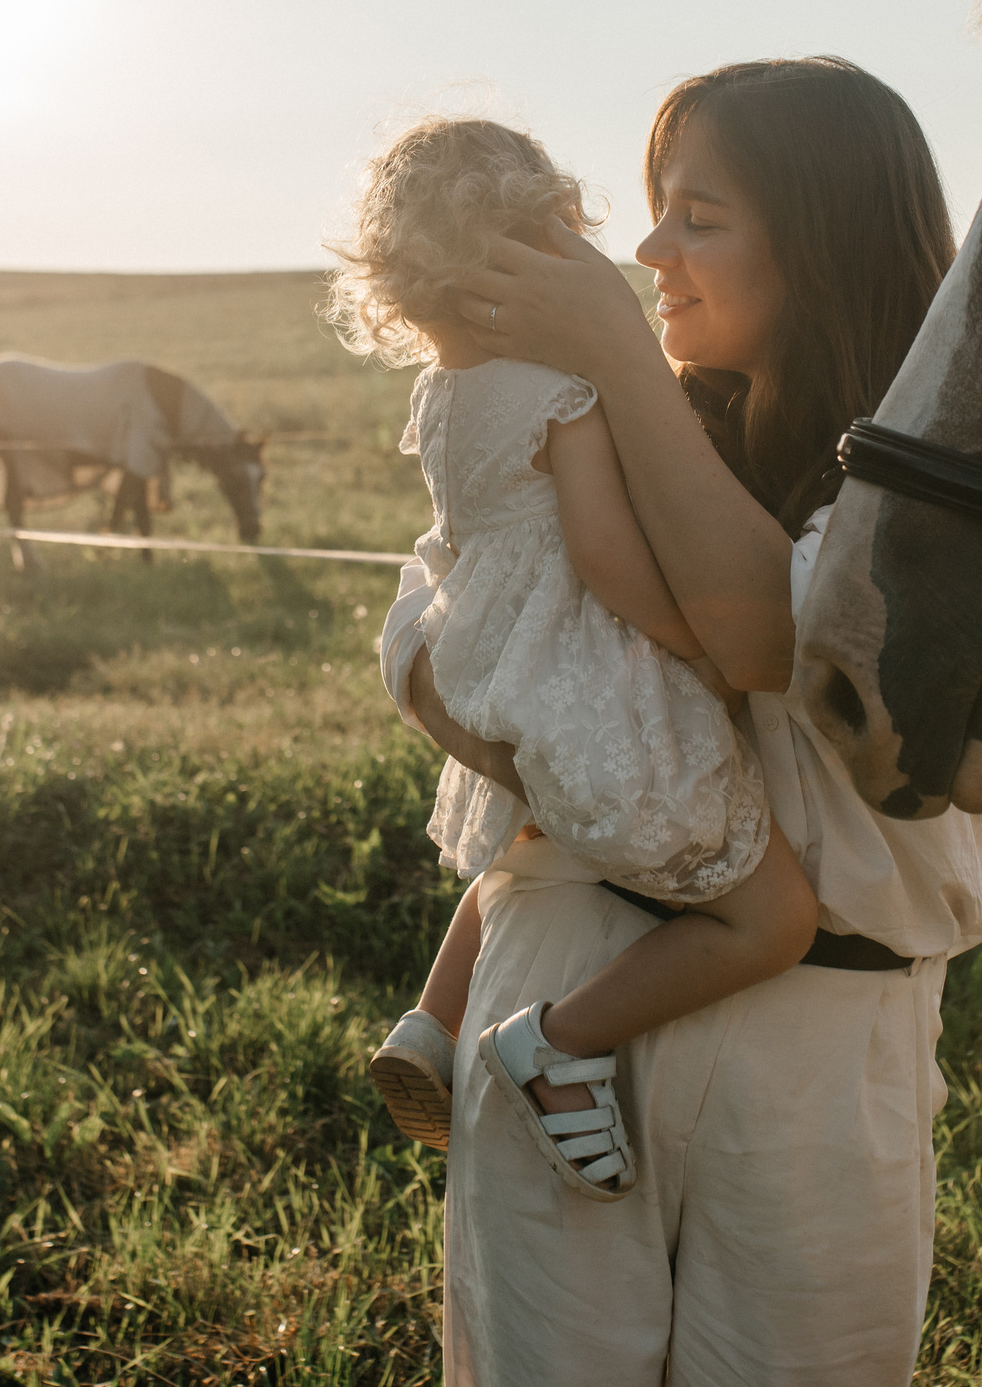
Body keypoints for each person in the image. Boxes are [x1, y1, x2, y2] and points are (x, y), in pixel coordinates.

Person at [377, 59, 982, 1385]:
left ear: (825, 240)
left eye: (698, 216)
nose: (649, 251)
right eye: (656, 209)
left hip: (825, 1027)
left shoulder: (951, 486)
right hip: (569, 966)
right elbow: (441, 601)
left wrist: (612, 356)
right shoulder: (614, 417)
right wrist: (462, 696)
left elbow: (769, 640)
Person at [324, 117, 817, 1198]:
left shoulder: (440, 393)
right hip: (576, 660)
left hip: (487, 652)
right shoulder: (561, 391)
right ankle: (557, 1041)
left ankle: (432, 1017)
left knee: (531, 828)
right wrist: (694, 643)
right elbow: (601, 554)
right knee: (772, 917)